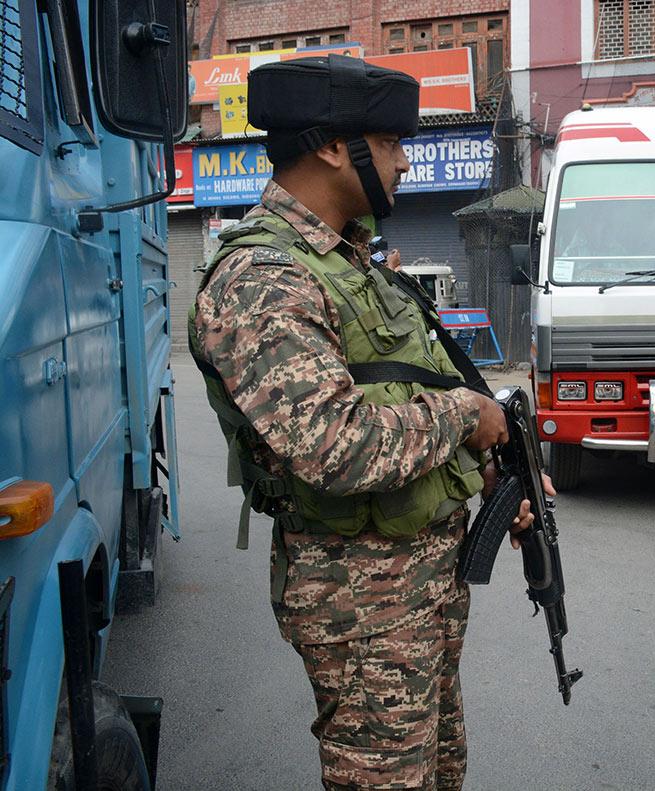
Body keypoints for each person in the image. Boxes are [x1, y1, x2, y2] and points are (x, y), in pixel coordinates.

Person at [189, 55, 547, 790]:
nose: (406, 162)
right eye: (389, 144)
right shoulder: (265, 278)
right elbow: (335, 445)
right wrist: (465, 416)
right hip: (362, 606)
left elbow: (398, 389)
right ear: (331, 147)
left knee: (440, 770)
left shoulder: (352, 265)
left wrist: (495, 468)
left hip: (418, 593)